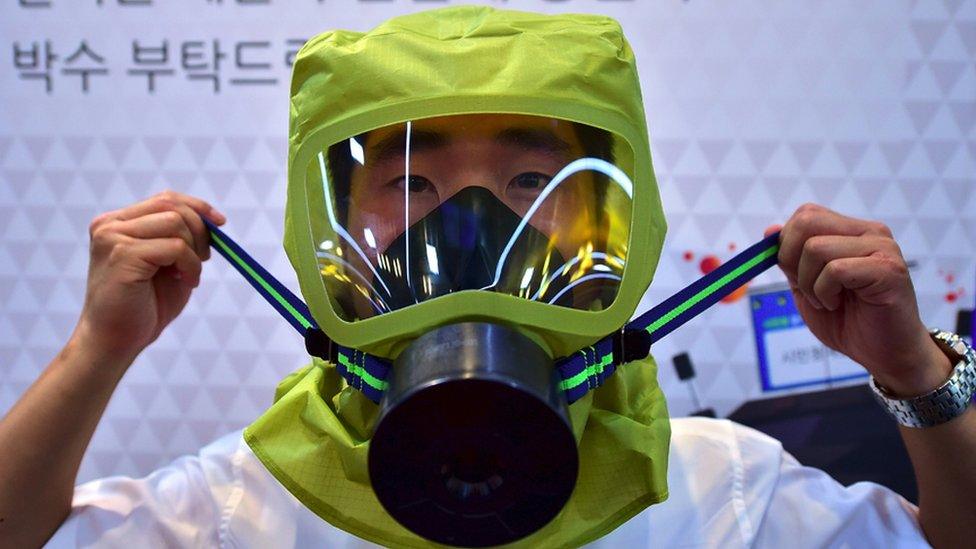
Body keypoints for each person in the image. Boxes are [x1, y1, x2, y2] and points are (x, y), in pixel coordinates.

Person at [2, 6, 975, 548]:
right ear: (338, 221)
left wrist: (919, 377)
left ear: (608, 212)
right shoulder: (242, 507)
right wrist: (99, 349)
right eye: (412, 181)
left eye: (527, 181)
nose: (473, 228)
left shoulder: (719, 490)